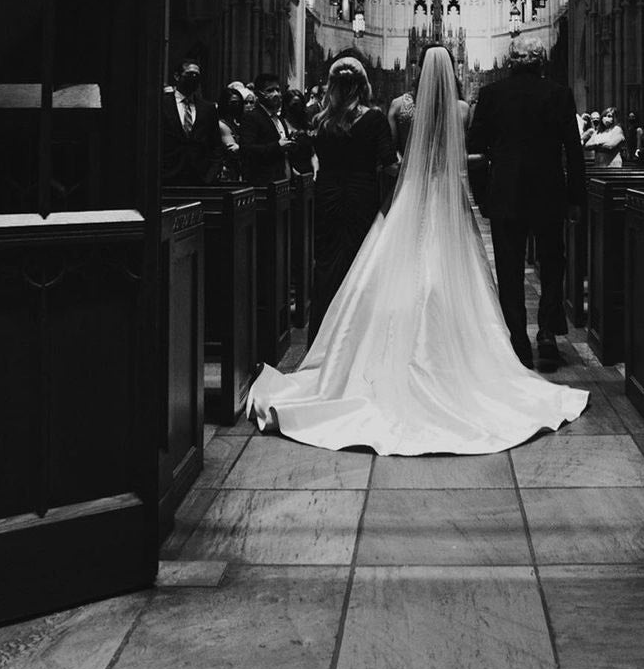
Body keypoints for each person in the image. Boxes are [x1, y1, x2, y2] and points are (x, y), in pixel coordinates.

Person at [246, 45, 587, 454]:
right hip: (487, 195)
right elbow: (486, 151)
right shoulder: (469, 107)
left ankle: (513, 340)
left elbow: (401, 155)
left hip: (435, 194)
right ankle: (534, 338)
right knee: (511, 267)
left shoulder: (415, 107)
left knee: (460, 268)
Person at [467, 34, 587, 371]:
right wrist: (576, 197)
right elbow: (574, 153)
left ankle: (518, 340)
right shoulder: (559, 94)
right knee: (552, 261)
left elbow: (475, 151)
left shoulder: (491, 95)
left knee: (509, 269)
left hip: (505, 193)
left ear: (511, 61)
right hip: (549, 191)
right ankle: (547, 332)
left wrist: (482, 196)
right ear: (541, 61)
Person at [307, 57, 395, 343]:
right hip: (361, 196)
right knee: (361, 262)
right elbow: (388, 163)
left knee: (327, 263)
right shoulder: (374, 118)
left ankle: (322, 338)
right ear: (363, 85)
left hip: (328, 196)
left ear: (331, 86)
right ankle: (358, 341)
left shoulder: (320, 122)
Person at [388, 48, 470, 159]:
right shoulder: (461, 109)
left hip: (409, 174)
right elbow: (461, 154)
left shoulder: (397, 105)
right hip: (446, 175)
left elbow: (392, 153)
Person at [161, 59, 224, 185]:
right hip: (168, 176)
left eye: (197, 75)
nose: (194, 78)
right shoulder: (162, 104)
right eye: (189, 74)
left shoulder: (208, 108)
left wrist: (210, 175)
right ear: (177, 76)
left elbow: (216, 145)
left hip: (200, 177)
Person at [241, 74, 293, 185]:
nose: (276, 94)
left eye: (277, 90)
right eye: (270, 90)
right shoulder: (252, 117)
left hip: (283, 181)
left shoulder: (280, 119)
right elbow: (247, 150)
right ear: (258, 94)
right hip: (264, 184)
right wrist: (277, 146)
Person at [281, 88, 316, 177]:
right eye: (294, 105)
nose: (298, 108)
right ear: (286, 105)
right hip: (289, 172)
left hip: (308, 173)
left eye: (300, 105)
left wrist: (315, 172)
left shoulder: (307, 126)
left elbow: (313, 153)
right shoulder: (281, 125)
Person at [216, 82, 247, 181]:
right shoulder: (222, 125)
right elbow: (232, 149)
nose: (237, 106)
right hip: (226, 172)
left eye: (239, 103)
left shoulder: (235, 123)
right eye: (233, 103)